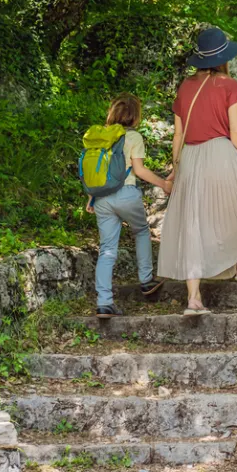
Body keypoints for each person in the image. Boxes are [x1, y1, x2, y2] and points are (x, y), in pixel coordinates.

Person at [158, 27, 237, 316]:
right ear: (222, 58)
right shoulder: (229, 85)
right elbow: (236, 132)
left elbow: (178, 134)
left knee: (192, 222)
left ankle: (194, 299)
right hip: (220, 152)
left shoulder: (185, 86)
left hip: (190, 157)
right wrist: (236, 162)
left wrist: (175, 168)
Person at [88, 94, 172, 318]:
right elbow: (140, 170)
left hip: (102, 198)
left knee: (107, 249)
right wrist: (164, 184)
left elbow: (96, 171)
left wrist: (91, 197)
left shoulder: (101, 136)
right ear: (135, 117)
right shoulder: (133, 137)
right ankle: (146, 280)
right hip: (126, 193)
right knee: (141, 231)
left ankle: (104, 302)